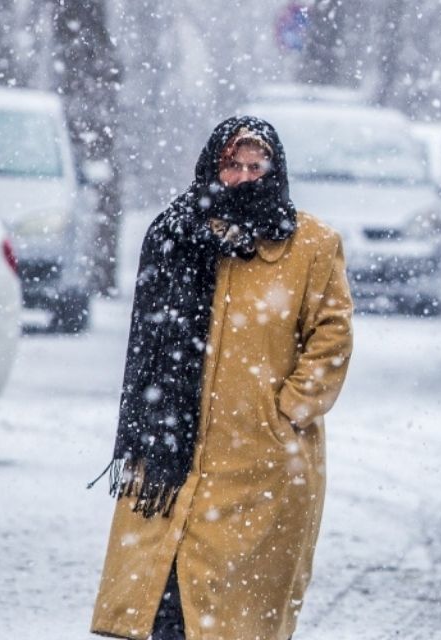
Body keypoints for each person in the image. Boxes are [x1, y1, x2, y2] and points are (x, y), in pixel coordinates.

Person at [90, 116, 354, 640]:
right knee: (160, 611)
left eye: (258, 165)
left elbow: (332, 335)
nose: (246, 176)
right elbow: (149, 344)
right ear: (214, 167)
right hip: (170, 467)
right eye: (233, 164)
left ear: (276, 172)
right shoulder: (178, 235)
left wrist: (287, 411)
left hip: (262, 467)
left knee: (231, 621)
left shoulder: (311, 245)